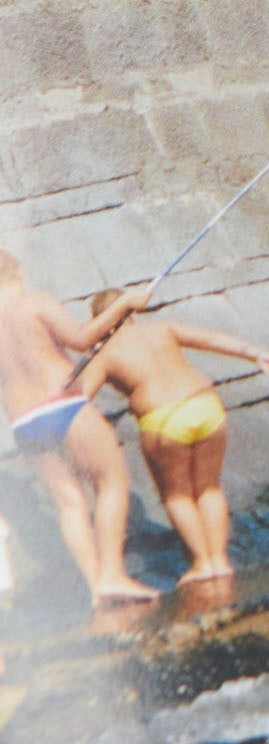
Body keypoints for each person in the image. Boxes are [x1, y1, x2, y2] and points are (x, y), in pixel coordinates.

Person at [77, 293, 269, 588]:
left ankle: (203, 563)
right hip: (205, 405)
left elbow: (78, 400)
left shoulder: (104, 356)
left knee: (177, 496)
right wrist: (256, 354)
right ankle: (220, 560)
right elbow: (211, 339)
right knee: (209, 488)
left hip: (165, 420)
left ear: (100, 322)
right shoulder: (161, 328)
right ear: (132, 313)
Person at [0, 250, 153, 602]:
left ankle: (96, 585)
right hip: (63, 403)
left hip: (25, 420)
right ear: (17, 271)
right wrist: (124, 304)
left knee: (68, 503)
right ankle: (113, 574)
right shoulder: (35, 302)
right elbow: (82, 338)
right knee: (111, 479)